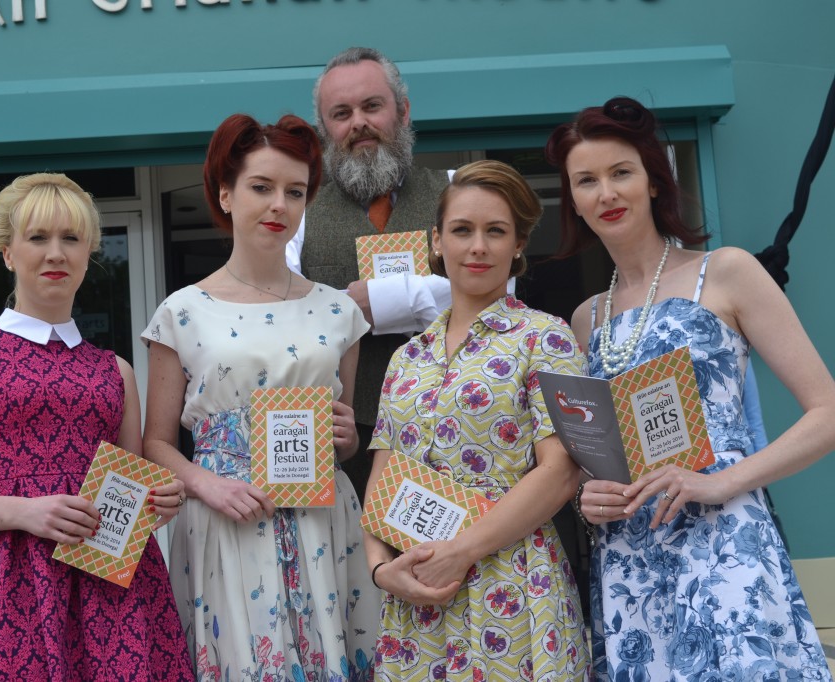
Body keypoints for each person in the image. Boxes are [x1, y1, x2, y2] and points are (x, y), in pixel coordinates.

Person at [546, 97, 835, 681]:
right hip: (629, 557)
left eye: (620, 172)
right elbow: (593, 452)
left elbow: (828, 411)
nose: (606, 192)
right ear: (573, 200)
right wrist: (587, 500)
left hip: (724, 535)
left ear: (654, 180)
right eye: (587, 180)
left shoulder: (726, 271)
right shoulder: (585, 319)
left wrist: (721, 479)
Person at [0, 173, 193, 681]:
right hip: (6, 587)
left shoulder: (117, 371)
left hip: (114, 592)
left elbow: (125, 491)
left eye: (71, 239)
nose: (56, 253)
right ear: (8, 252)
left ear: (89, 254)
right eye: (38, 238)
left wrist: (157, 504)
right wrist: (26, 512)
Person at [143, 114, 380, 681]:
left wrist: (344, 440)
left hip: (324, 521)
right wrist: (207, 484)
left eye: (294, 192)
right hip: (226, 522)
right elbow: (155, 440)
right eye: (261, 187)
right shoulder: (182, 311)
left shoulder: (339, 311)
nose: (279, 205)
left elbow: (343, 438)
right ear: (225, 194)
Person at [364, 160, 591, 681]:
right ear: (437, 242)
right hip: (418, 591)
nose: (478, 247)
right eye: (462, 230)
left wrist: (460, 552)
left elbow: (560, 470)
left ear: (518, 246)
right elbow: (381, 481)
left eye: (496, 232)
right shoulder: (407, 359)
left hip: (512, 584)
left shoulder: (546, 338)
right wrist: (382, 571)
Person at [286, 46, 453, 500]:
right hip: (344, 440)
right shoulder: (296, 212)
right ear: (326, 130)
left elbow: (490, 292)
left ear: (402, 111)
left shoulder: (457, 190)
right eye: (341, 113)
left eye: (371, 106)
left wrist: (370, 302)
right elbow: (281, 311)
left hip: (452, 428)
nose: (358, 122)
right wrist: (421, 295)